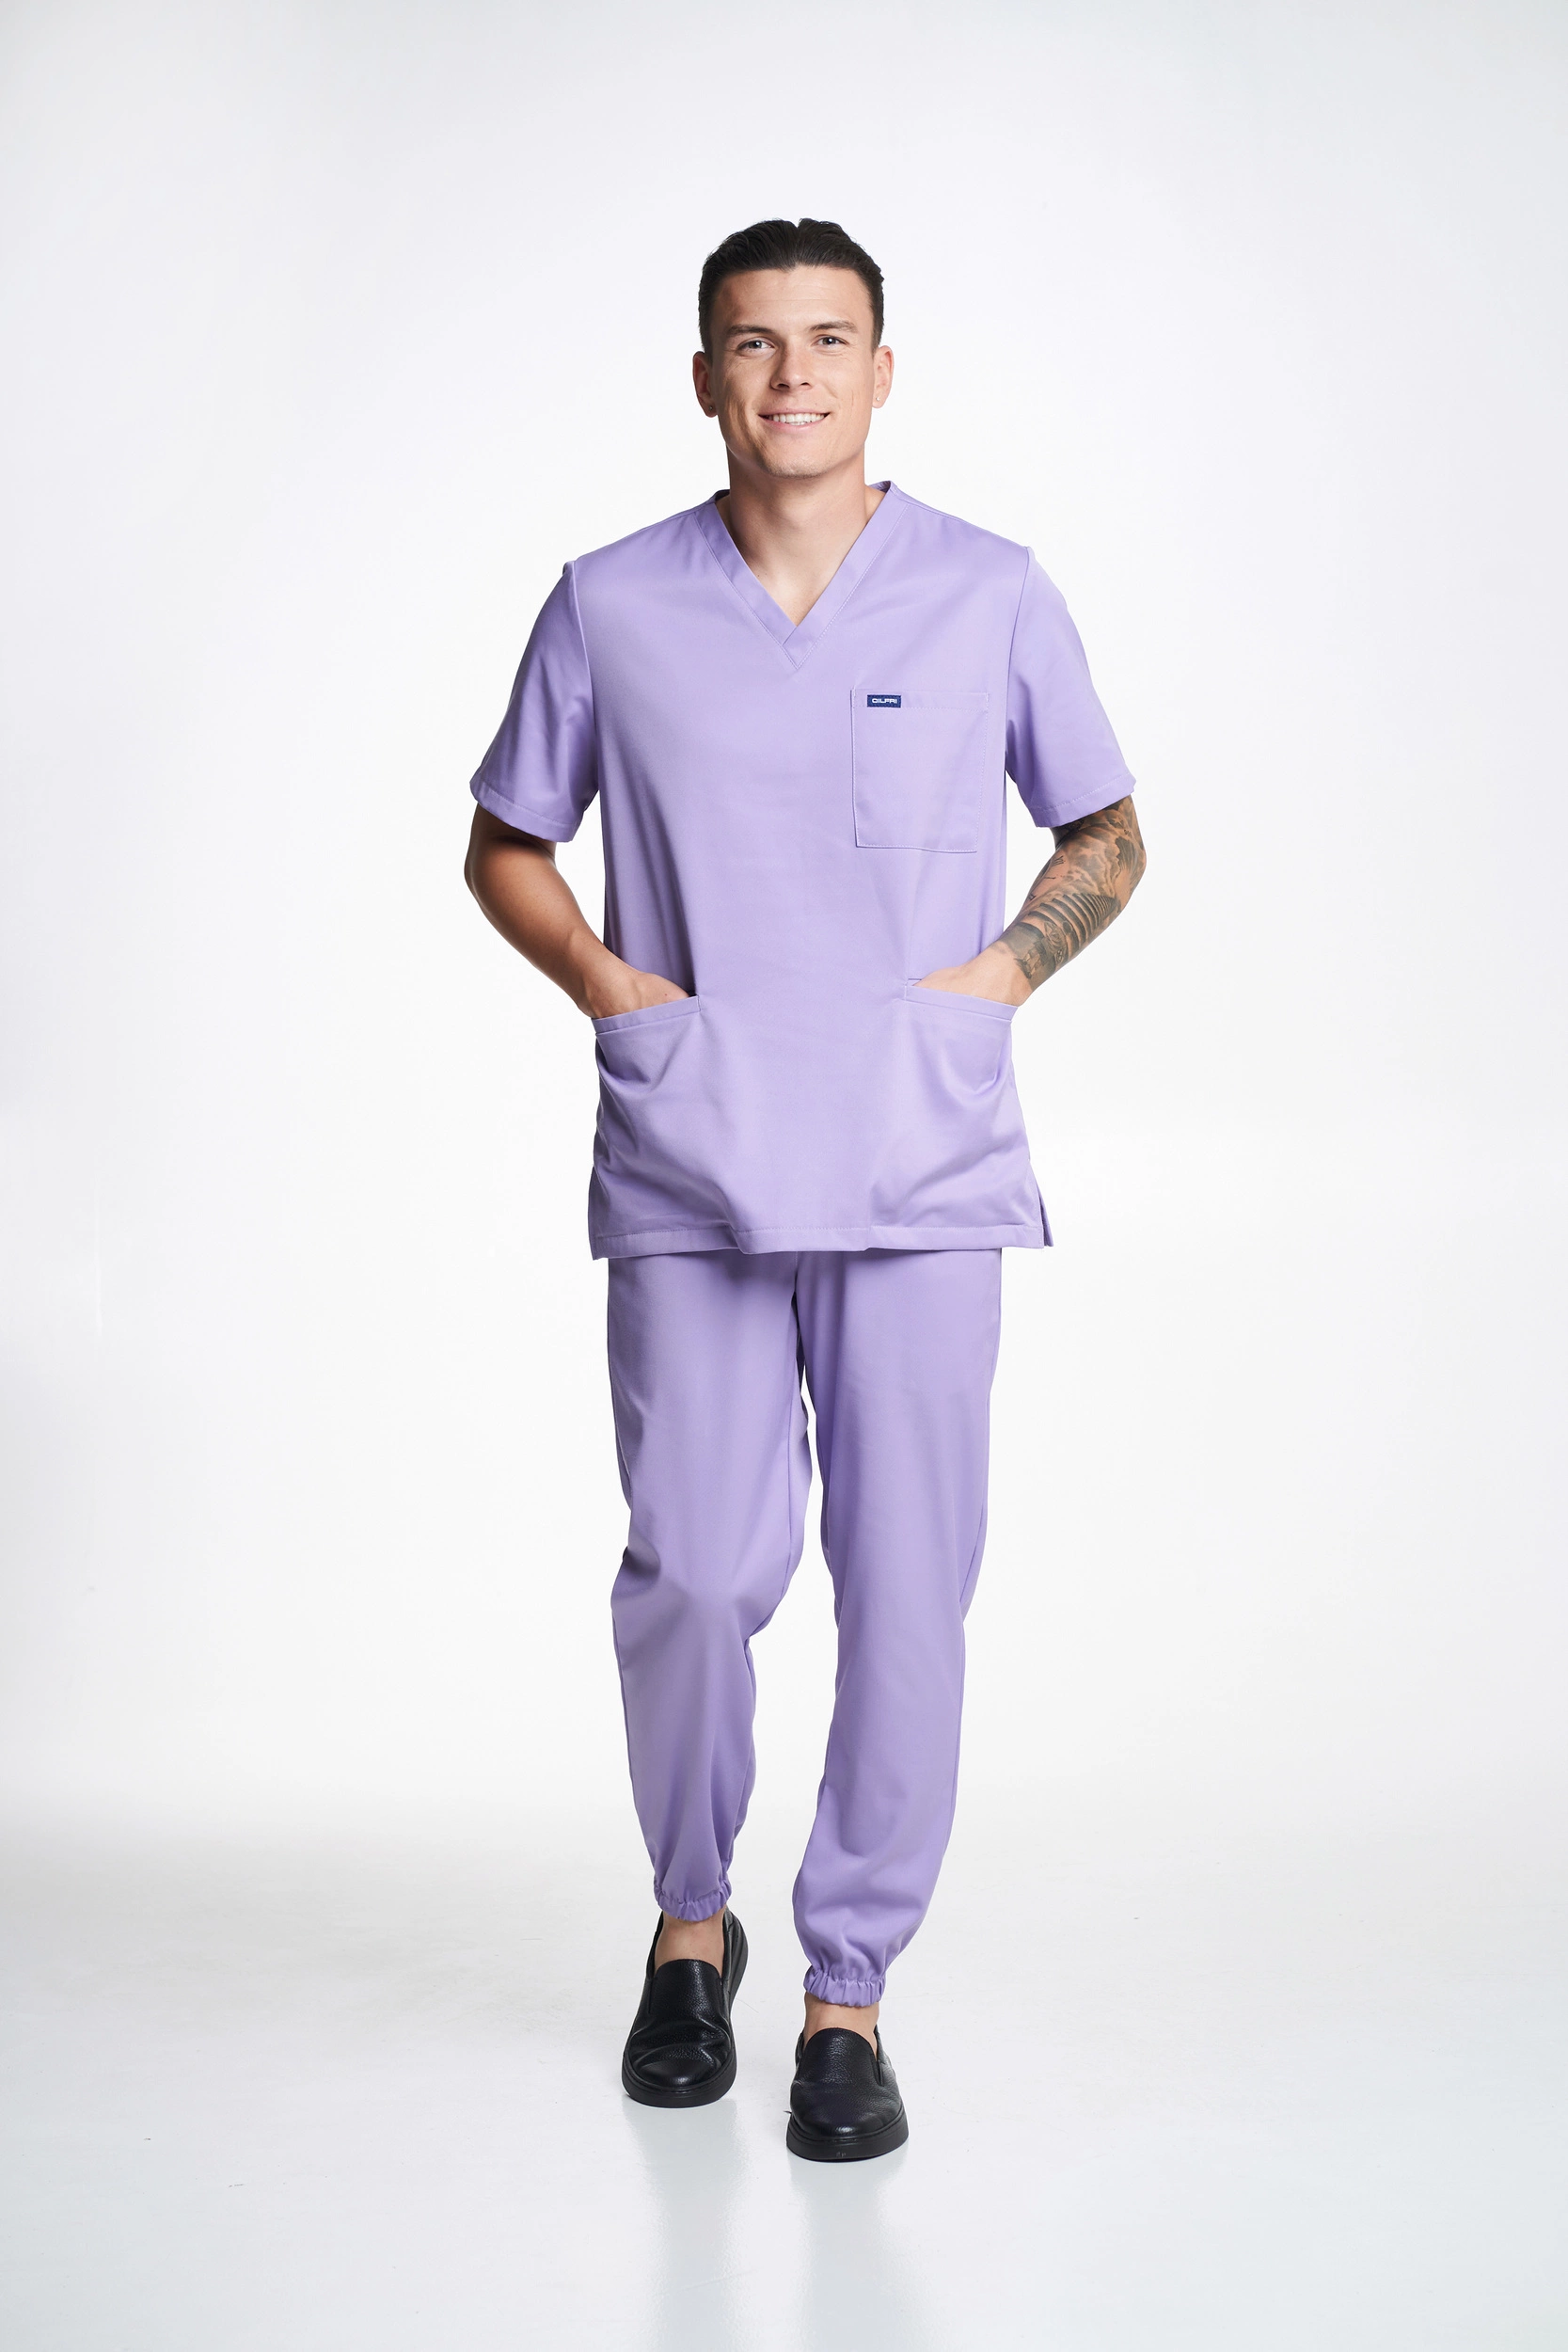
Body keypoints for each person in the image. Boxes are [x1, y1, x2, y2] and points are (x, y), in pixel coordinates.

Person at [464, 217, 1145, 2162]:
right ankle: (693, 1924)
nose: (791, 376)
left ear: (881, 371)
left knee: (908, 1591)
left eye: (828, 340)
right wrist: (614, 990)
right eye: (753, 344)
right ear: (704, 378)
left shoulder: (986, 592)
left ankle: (846, 1991)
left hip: (919, 1163)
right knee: (692, 1570)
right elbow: (506, 841)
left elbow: (1105, 831)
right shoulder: (611, 603)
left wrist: (993, 979)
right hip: (698, 1153)